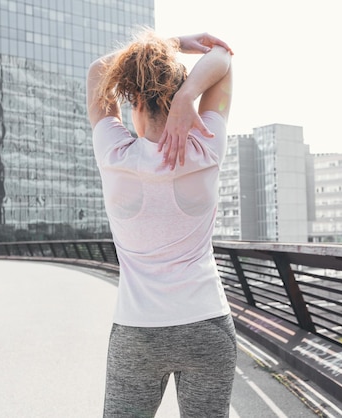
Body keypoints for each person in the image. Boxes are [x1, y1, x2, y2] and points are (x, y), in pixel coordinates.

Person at [87, 29, 235, 417]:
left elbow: (98, 70)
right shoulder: (206, 145)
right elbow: (223, 56)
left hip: (138, 330)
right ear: (179, 96)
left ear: (135, 101)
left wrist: (172, 43)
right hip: (208, 325)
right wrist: (189, 96)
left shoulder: (114, 154)